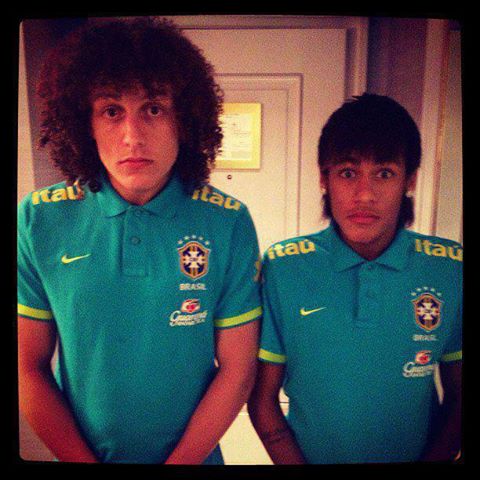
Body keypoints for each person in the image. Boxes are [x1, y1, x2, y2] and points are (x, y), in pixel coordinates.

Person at [17, 17, 262, 464]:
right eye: (112, 111)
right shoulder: (39, 219)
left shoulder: (228, 222)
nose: (132, 136)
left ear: (184, 119)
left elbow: (239, 368)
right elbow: (27, 367)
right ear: (86, 124)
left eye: (153, 109)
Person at [248, 93, 462, 464]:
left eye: (384, 173)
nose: (364, 195)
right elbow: (263, 401)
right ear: (324, 178)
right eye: (348, 173)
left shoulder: (449, 268)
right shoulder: (283, 268)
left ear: (409, 180)